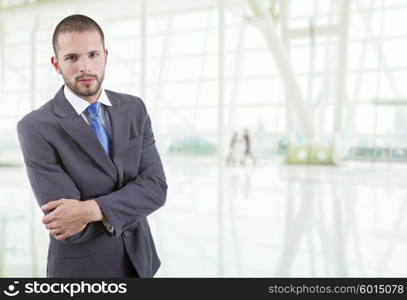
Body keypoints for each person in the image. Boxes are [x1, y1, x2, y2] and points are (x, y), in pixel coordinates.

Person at [16, 14, 167, 278]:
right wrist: (130, 203)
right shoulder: (36, 127)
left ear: (105, 56)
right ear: (56, 64)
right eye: (72, 58)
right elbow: (69, 227)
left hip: (141, 263)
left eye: (93, 54)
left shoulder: (134, 109)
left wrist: (89, 210)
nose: (85, 67)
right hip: (82, 273)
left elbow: (156, 189)